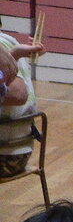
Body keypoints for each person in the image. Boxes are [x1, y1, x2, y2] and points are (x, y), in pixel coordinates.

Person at [0, 24, 45, 178]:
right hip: (19, 153)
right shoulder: (9, 41)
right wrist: (15, 55)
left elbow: (17, 94)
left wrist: (12, 56)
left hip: (5, 157)